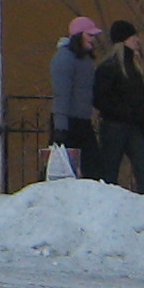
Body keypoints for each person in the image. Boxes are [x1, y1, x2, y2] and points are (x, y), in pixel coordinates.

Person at [91, 20, 144, 193]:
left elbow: (139, 100)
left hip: (132, 125)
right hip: (115, 126)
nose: (137, 40)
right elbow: (100, 99)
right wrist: (125, 112)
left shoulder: (132, 67)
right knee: (110, 171)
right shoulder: (111, 67)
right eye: (133, 37)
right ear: (124, 40)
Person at [48, 16, 104, 178]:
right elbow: (61, 94)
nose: (93, 40)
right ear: (78, 35)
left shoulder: (84, 59)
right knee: (63, 169)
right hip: (67, 123)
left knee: (92, 168)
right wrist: (60, 127)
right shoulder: (64, 58)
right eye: (90, 35)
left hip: (82, 121)